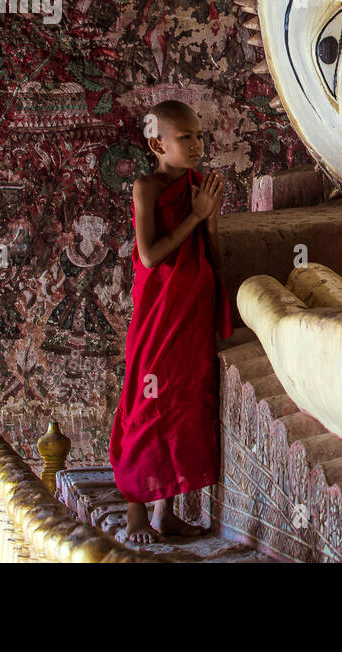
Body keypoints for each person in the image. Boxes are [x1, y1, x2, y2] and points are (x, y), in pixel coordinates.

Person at [110, 99, 230, 543]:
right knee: (146, 402)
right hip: (158, 314)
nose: (197, 144)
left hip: (192, 311)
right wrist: (196, 216)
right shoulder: (148, 188)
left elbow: (212, 256)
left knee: (182, 405)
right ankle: (135, 510)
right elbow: (150, 255)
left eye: (199, 135)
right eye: (185, 137)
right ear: (157, 143)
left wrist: (210, 222)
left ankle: (166, 510)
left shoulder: (201, 186)